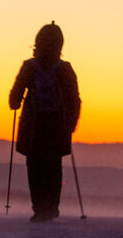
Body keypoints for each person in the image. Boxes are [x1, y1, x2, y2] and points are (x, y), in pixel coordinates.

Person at [9, 22, 81, 222]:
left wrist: (15, 102)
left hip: (33, 128)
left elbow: (14, 98)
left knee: (35, 168)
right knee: (53, 168)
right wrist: (71, 125)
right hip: (57, 128)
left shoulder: (29, 67)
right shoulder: (64, 69)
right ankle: (51, 208)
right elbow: (74, 99)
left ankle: (40, 209)